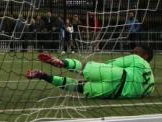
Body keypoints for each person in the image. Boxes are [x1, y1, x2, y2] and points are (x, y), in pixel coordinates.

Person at [26, 46, 154, 99]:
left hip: (118, 75)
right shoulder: (152, 85)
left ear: (145, 55)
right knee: (78, 87)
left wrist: (96, 67)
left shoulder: (137, 59)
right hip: (115, 92)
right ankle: (43, 76)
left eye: (136, 52)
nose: (133, 53)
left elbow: (110, 65)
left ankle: (62, 62)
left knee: (84, 67)